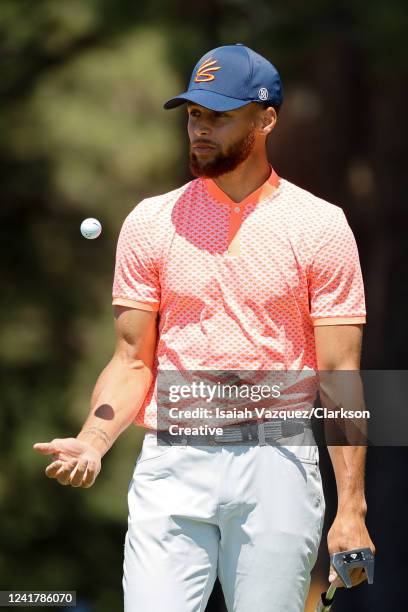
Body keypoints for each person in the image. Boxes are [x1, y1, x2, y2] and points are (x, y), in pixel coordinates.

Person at [33, 44, 375, 611]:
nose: (200, 129)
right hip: (172, 460)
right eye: (194, 114)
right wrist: (93, 441)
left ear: (265, 120)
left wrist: (353, 510)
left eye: (219, 115)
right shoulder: (151, 221)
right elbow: (132, 361)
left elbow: (342, 374)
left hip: (279, 464)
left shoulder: (320, 225)